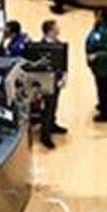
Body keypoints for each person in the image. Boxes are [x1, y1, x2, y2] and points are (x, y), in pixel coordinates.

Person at [37, 19, 69, 148]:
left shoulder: (59, 44)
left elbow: (64, 63)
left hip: (57, 81)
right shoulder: (40, 47)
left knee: (54, 105)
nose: (59, 29)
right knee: (47, 108)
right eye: (56, 27)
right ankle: (45, 136)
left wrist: (64, 77)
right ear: (50, 31)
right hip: (46, 82)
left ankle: (52, 124)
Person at [85, 8, 107, 123]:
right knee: (101, 87)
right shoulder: (99, 28)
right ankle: (104, 104)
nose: (96, 16)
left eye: (98, 15)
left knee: (104, 88)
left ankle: (106, 113)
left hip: (104, 65)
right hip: (98, 65)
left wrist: (95, 55)